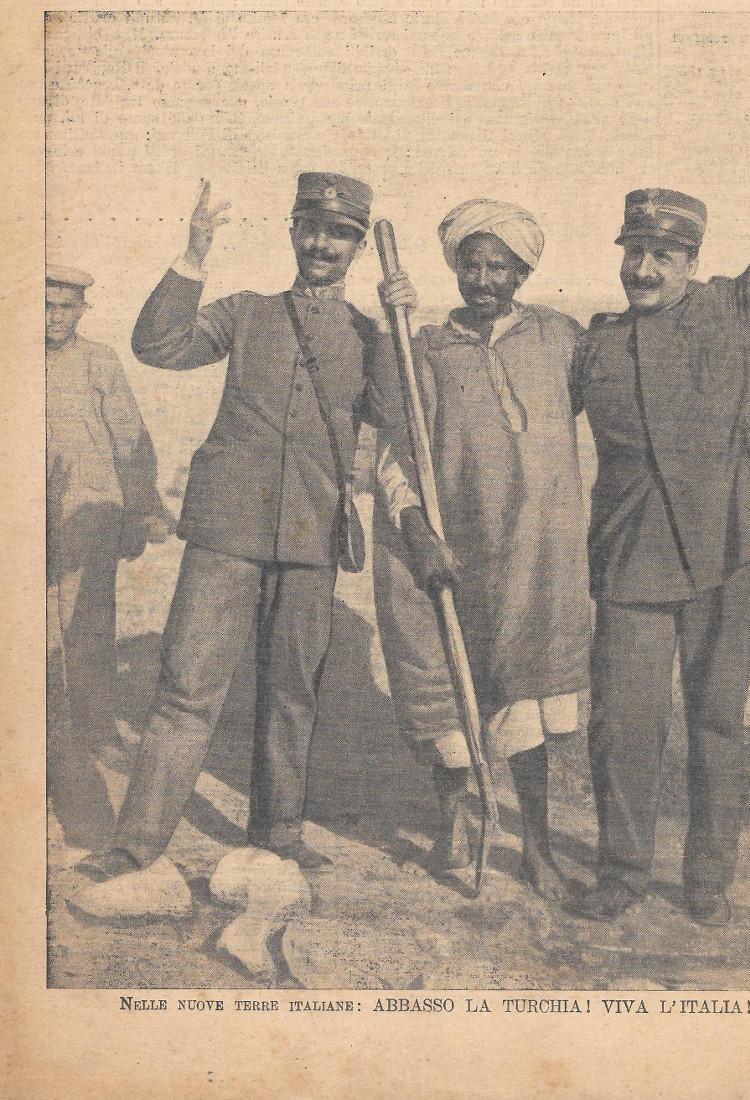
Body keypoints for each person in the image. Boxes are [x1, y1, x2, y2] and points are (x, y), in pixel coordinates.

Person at [569, 61, 750, 923]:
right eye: (635, 252)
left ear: (692, 261)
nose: (644, 267)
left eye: (663, 253)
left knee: (715, 721)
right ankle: (620, 873)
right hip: (633, 552)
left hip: (732, 542)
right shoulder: (595, 344)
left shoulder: (734, 310)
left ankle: (706, 880)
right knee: (623, 722)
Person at [76, 174, 402, 881]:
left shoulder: (369, 335)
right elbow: (160, 345)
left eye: (340, 235)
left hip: (312, 537)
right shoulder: (248, 313)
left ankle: (278, 831)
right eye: (312, 229)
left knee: (292, 690)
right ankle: (137, 843)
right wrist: (192, 255)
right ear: (291, 230)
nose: (323, 245)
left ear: (356, 248)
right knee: (187, 687)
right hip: (226, 532)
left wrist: (401, 330)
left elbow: (399, 417)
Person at [375, 200, 591, 900]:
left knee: (524, 696)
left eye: (500, 265)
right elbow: (393, 450)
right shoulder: (426, 350)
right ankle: (455, 828)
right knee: (446, 685)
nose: (484, 277)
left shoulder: (560, 339)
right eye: (472, 262)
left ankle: (535, 849)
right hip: (456, 550)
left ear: (524, 271)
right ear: (456, 267)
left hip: (532, 555)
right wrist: (418, 530)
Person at [46, 265, 165, 848]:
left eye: (66, 307)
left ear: (82, 310)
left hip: (90, 519)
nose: (54, 318)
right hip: (27, 522)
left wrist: (141, 509)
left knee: (89, 629)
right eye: (44, 306)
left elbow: (131, 438)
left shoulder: (99, 361)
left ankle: (91, 732)